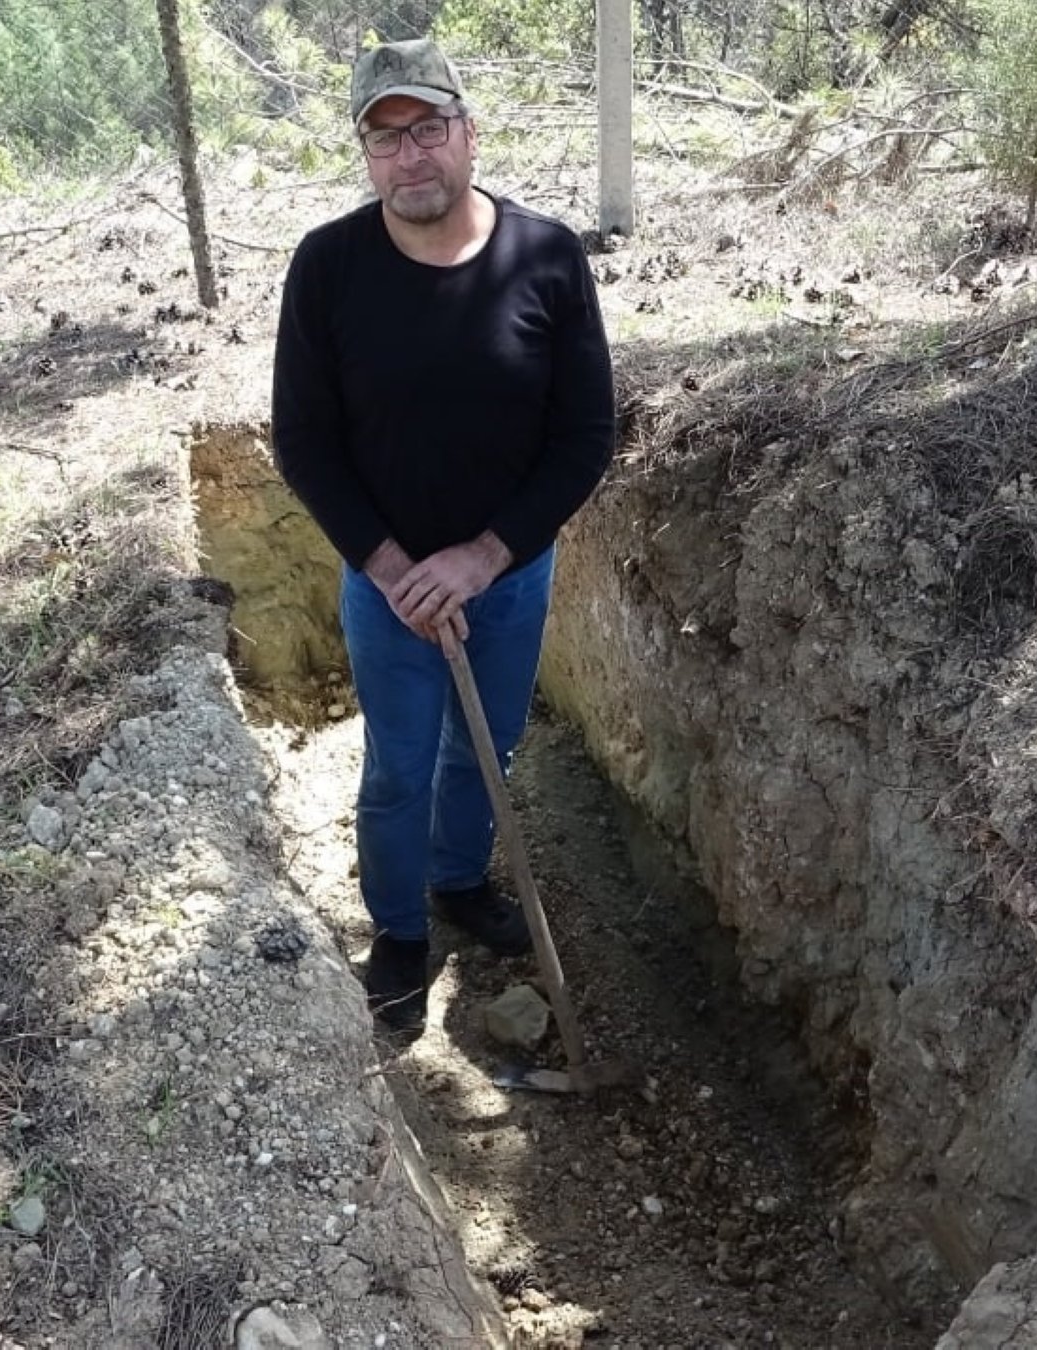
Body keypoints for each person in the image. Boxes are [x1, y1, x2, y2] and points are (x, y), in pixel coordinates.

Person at [270, 37, 615, 1035]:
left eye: (426, 128)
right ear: (365, 156)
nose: (408, 155)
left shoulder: (546, 256)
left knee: (486, 747)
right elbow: (304, 440)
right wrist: (394, 571)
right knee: (397, 766)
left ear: (468, 132)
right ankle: (399, 928)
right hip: (389, 592)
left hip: (508, 579)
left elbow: (585, 434)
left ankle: (459, 878)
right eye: (384, 139)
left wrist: (482, 558)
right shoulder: (328, 267)